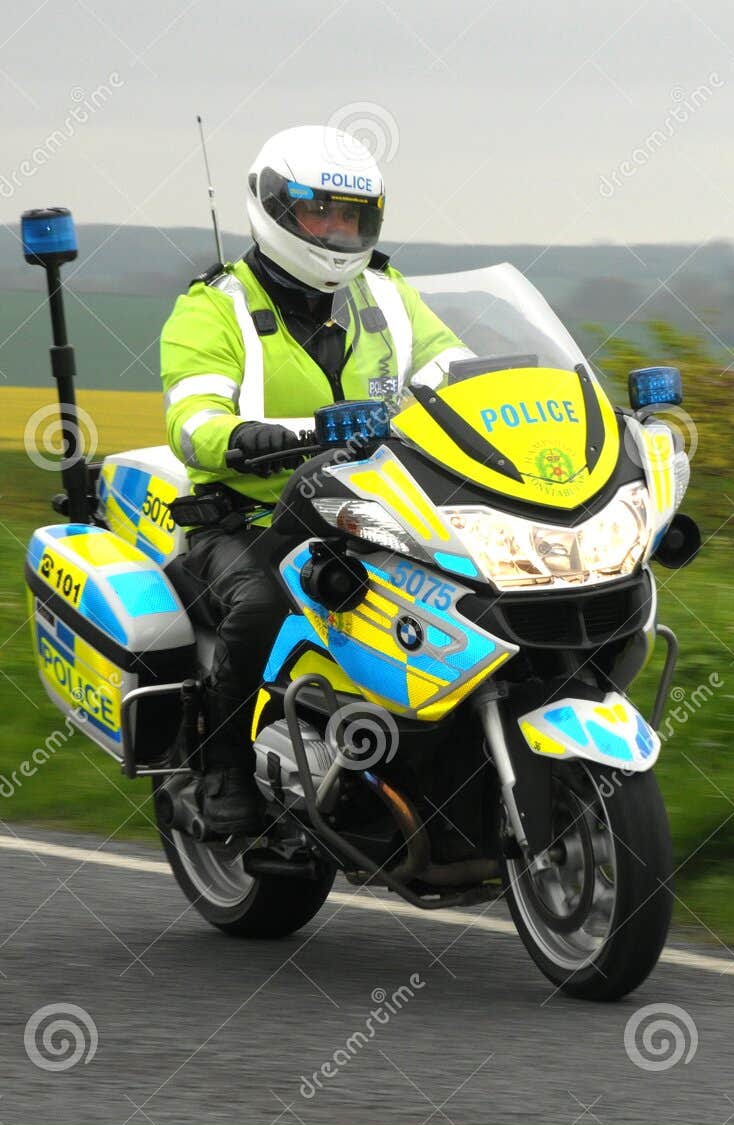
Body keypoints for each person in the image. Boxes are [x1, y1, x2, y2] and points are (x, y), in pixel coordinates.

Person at [160, 124, 472, 838]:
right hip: (247, 518)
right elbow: (191, 417)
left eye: (352, 216)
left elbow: (451, 366)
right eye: (319, 212)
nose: (336, 230)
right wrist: (252, 436)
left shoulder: (386, 292)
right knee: (262, 603)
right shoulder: (214, 306)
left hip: (373, 508)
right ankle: (221, 767)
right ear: (276, 209)